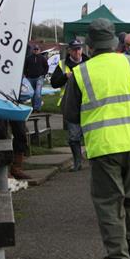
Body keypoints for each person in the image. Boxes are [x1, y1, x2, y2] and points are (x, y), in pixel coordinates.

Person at [62, 18, 130, 259]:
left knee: (109, 204)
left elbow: (70, 114)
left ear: (90, 45)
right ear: (115, 42)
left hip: (104, 146)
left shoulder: (81, 72)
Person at [50, 39, 90, 171]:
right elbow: (54, 83)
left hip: (89, 103)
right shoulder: (62, 65)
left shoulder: (89, 62)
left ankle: (93, 161)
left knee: (91, 133)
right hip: (71, 104)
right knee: (74, 135)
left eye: (79, 49)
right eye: (74, 49)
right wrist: (65, 77)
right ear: (69, 51)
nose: (77, 52)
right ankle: (77, 162)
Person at [23, 43, 49, 112]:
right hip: (30, 78)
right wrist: (26, 74)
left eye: (37, 49)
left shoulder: (43, 58)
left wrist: (43, 74)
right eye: (35, 49)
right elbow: (25, 67)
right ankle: (34, 107)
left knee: (37, 93)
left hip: (39, 78)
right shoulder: (28, 58)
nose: (36, 50)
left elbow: (46, 67)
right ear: (33, 50)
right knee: (32, 94)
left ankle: (37, 108)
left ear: (39, 50)